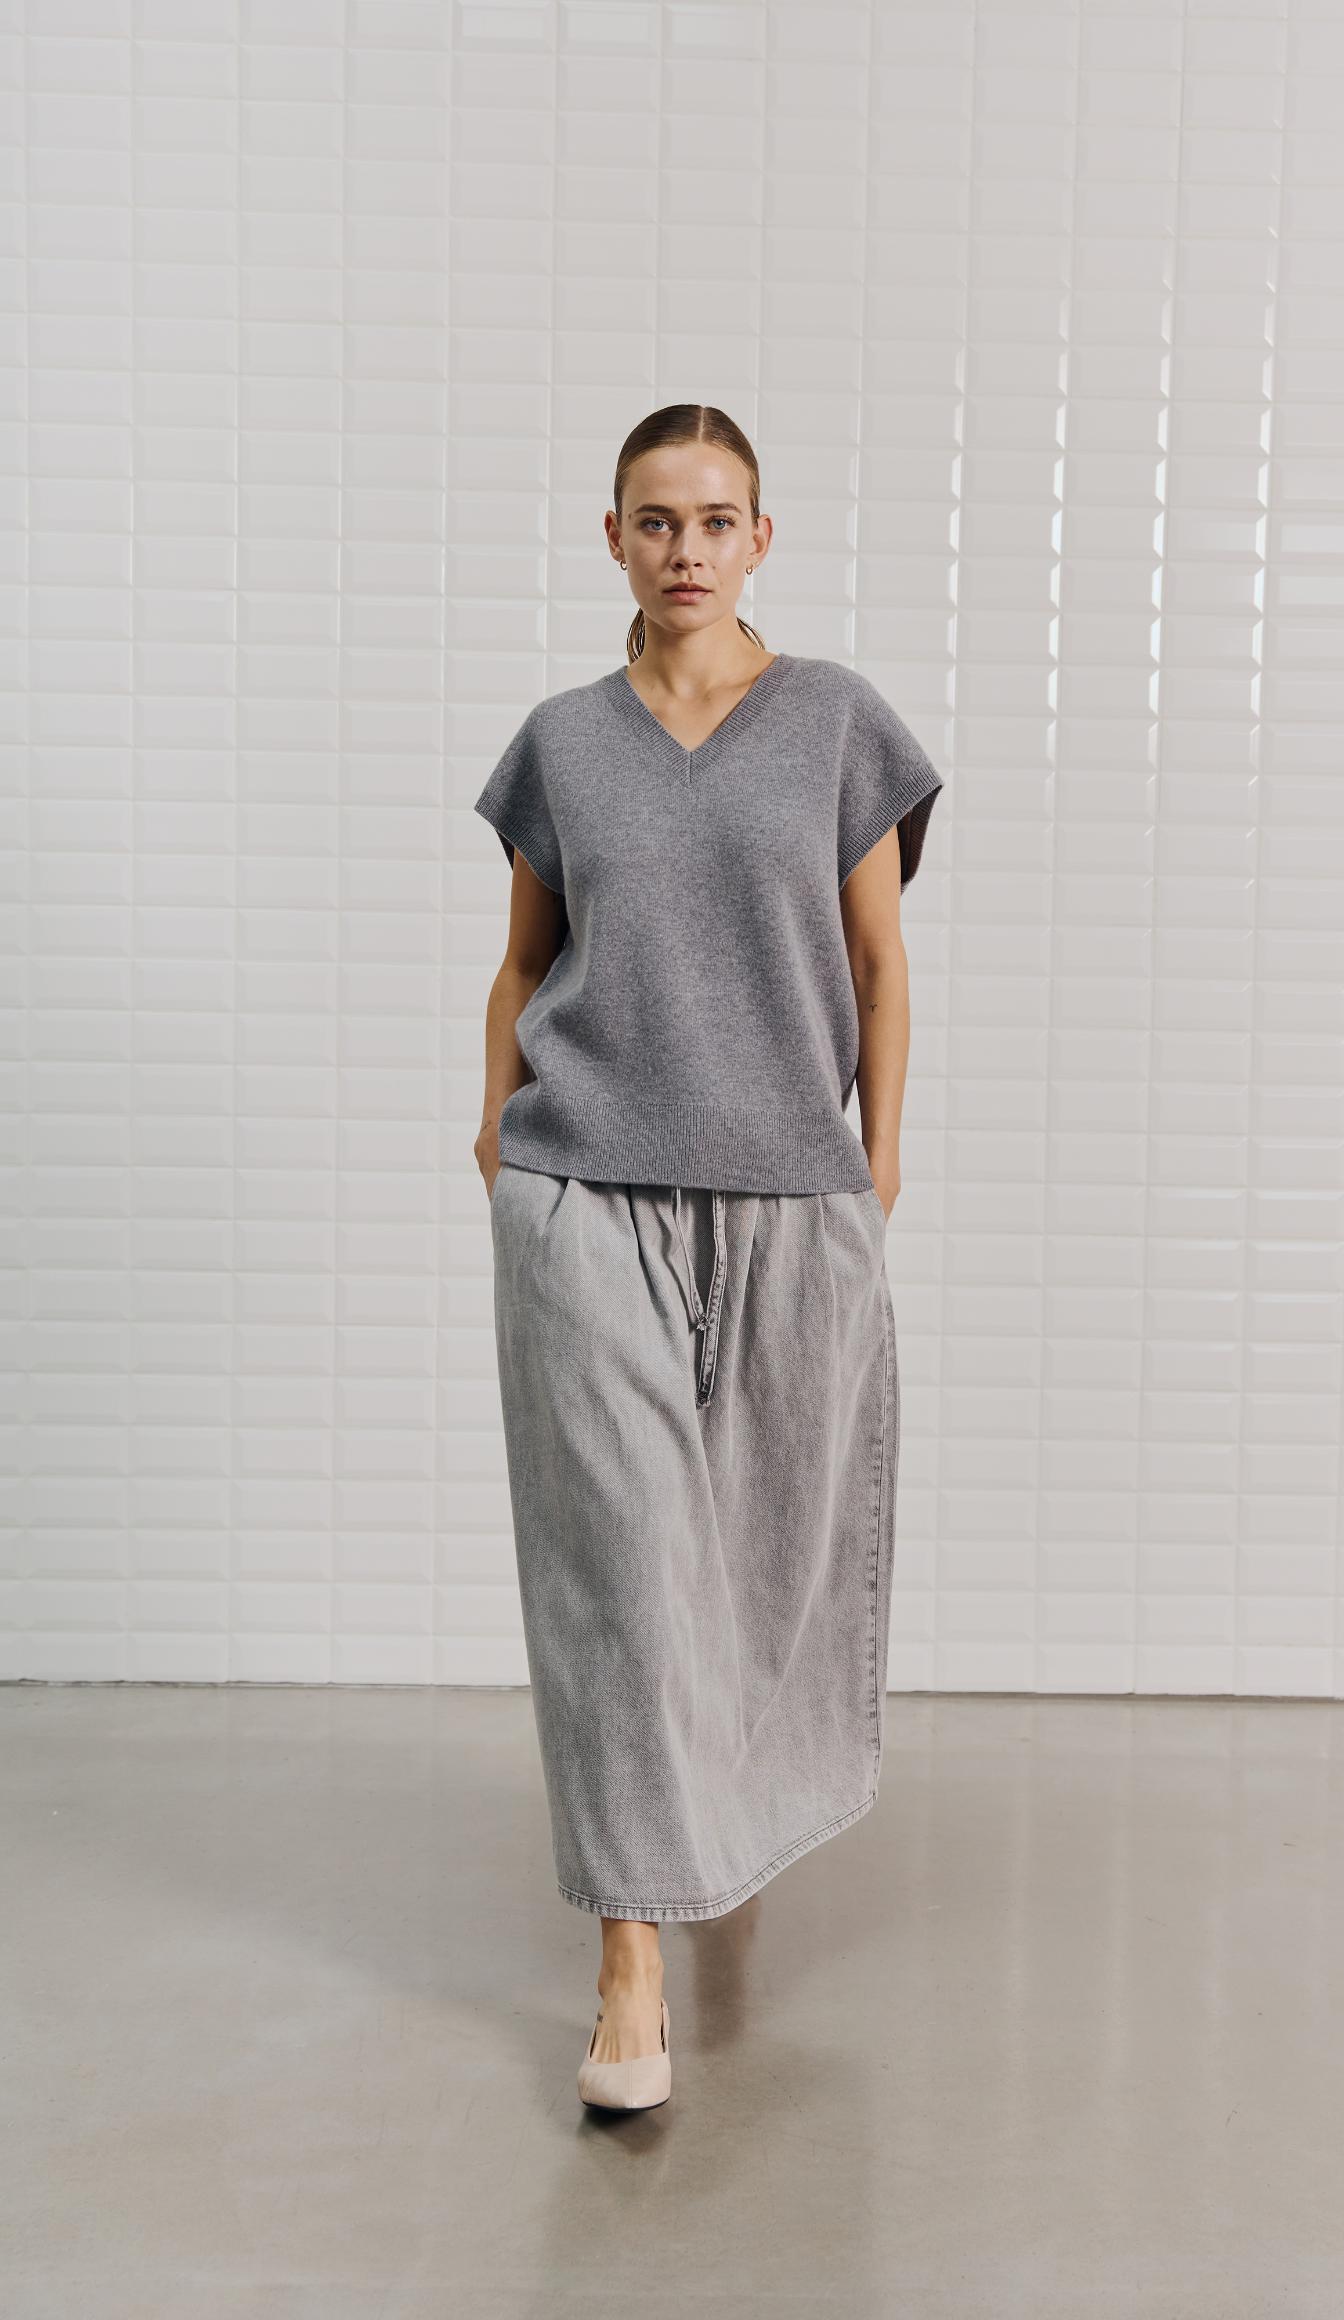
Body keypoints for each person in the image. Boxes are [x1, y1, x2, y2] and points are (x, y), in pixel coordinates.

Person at [472, 403, 944, 2111]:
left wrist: (876, 1161)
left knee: (761, 1553)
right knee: (619, 1564)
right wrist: (497, 1139)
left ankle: (717, 1831)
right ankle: (629, 1968)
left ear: (762, 538)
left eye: (717, 519)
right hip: (585, 1190)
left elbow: (878, 964)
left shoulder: (834, 724)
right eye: (657, 520)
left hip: (787, 1196)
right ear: (613, 537)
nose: (687, 549)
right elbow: (524, 963)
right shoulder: (562, 743)